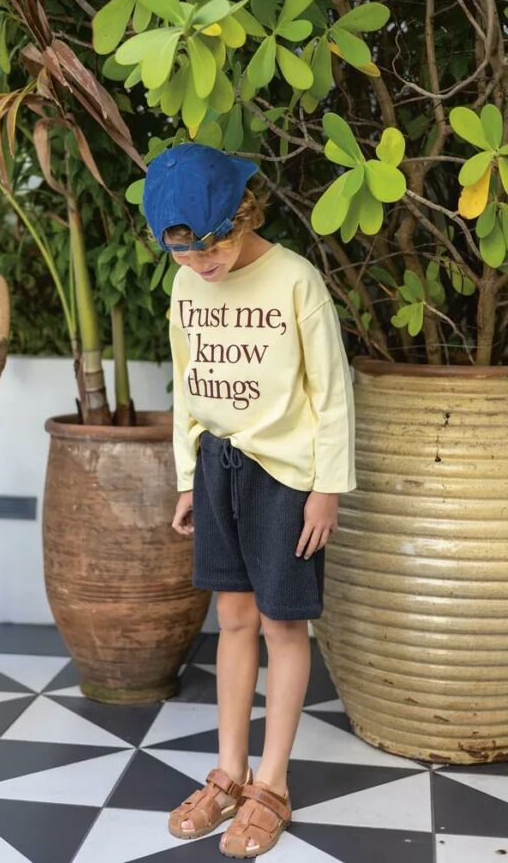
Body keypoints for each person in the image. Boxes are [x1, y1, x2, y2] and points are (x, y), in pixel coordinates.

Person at [142, 142, 357, 858]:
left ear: (243, 215)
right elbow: (187, 389)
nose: (200, 264)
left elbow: (332, 393)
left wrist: (326, 489)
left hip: (285, 476)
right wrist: (186, 477)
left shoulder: (295, 280)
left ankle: (272, 784)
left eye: (211, 247)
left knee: (282, 624)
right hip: (216, 468)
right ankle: (229, 774)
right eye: (183, 254)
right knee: (232, 618)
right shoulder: (185, 287)